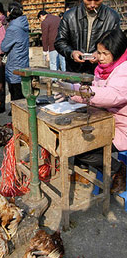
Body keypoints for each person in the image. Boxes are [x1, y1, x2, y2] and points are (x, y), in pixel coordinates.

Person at [56, 28, 127, 193]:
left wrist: (75, 92)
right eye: (99, 52)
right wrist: (72, 88)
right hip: (107, 121)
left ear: (116, 53)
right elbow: (94, 87)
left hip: (122, 127)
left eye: (105, 53)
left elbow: (111, 95)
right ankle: (111, 171)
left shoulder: (124, 71)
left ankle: (118, 170)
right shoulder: (103, 70)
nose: (100, 57)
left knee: (81, 148)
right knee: (75, 141)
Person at [54, 0, 120, 74]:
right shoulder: (69, 16)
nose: (92, 4)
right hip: (74, 72)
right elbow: (60, 42)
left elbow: (116, 44)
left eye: (97, 0)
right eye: (88, 0)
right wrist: (72, 53)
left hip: (101, 73)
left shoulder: (112, 17)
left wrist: (100, 53)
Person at [1, 1, 29, 115]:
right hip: (23, 62)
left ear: (9, 13)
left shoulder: (13, 28)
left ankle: (17, 115)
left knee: (16, 93)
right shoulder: (23, 24)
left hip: (14, 64)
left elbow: (4, 47)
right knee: (22, 91)